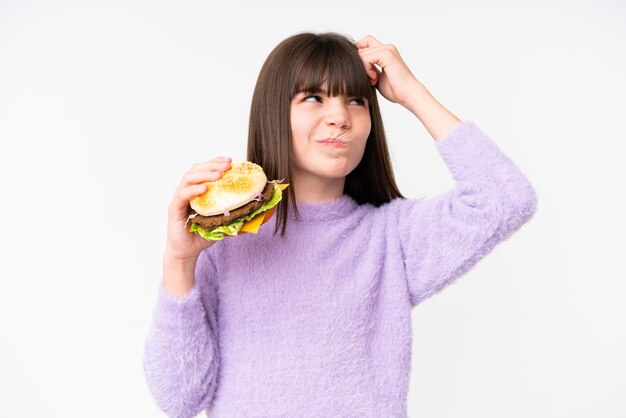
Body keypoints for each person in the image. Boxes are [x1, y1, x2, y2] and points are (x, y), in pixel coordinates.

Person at [143, 32, 537, 417]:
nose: (340, 117)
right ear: (273, 113)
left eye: (356, 101)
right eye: (313, 97)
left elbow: (504, 198)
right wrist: (178, 262)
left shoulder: (390, 239)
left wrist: (412, 93)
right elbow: (180, 400)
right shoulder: (225, 241)